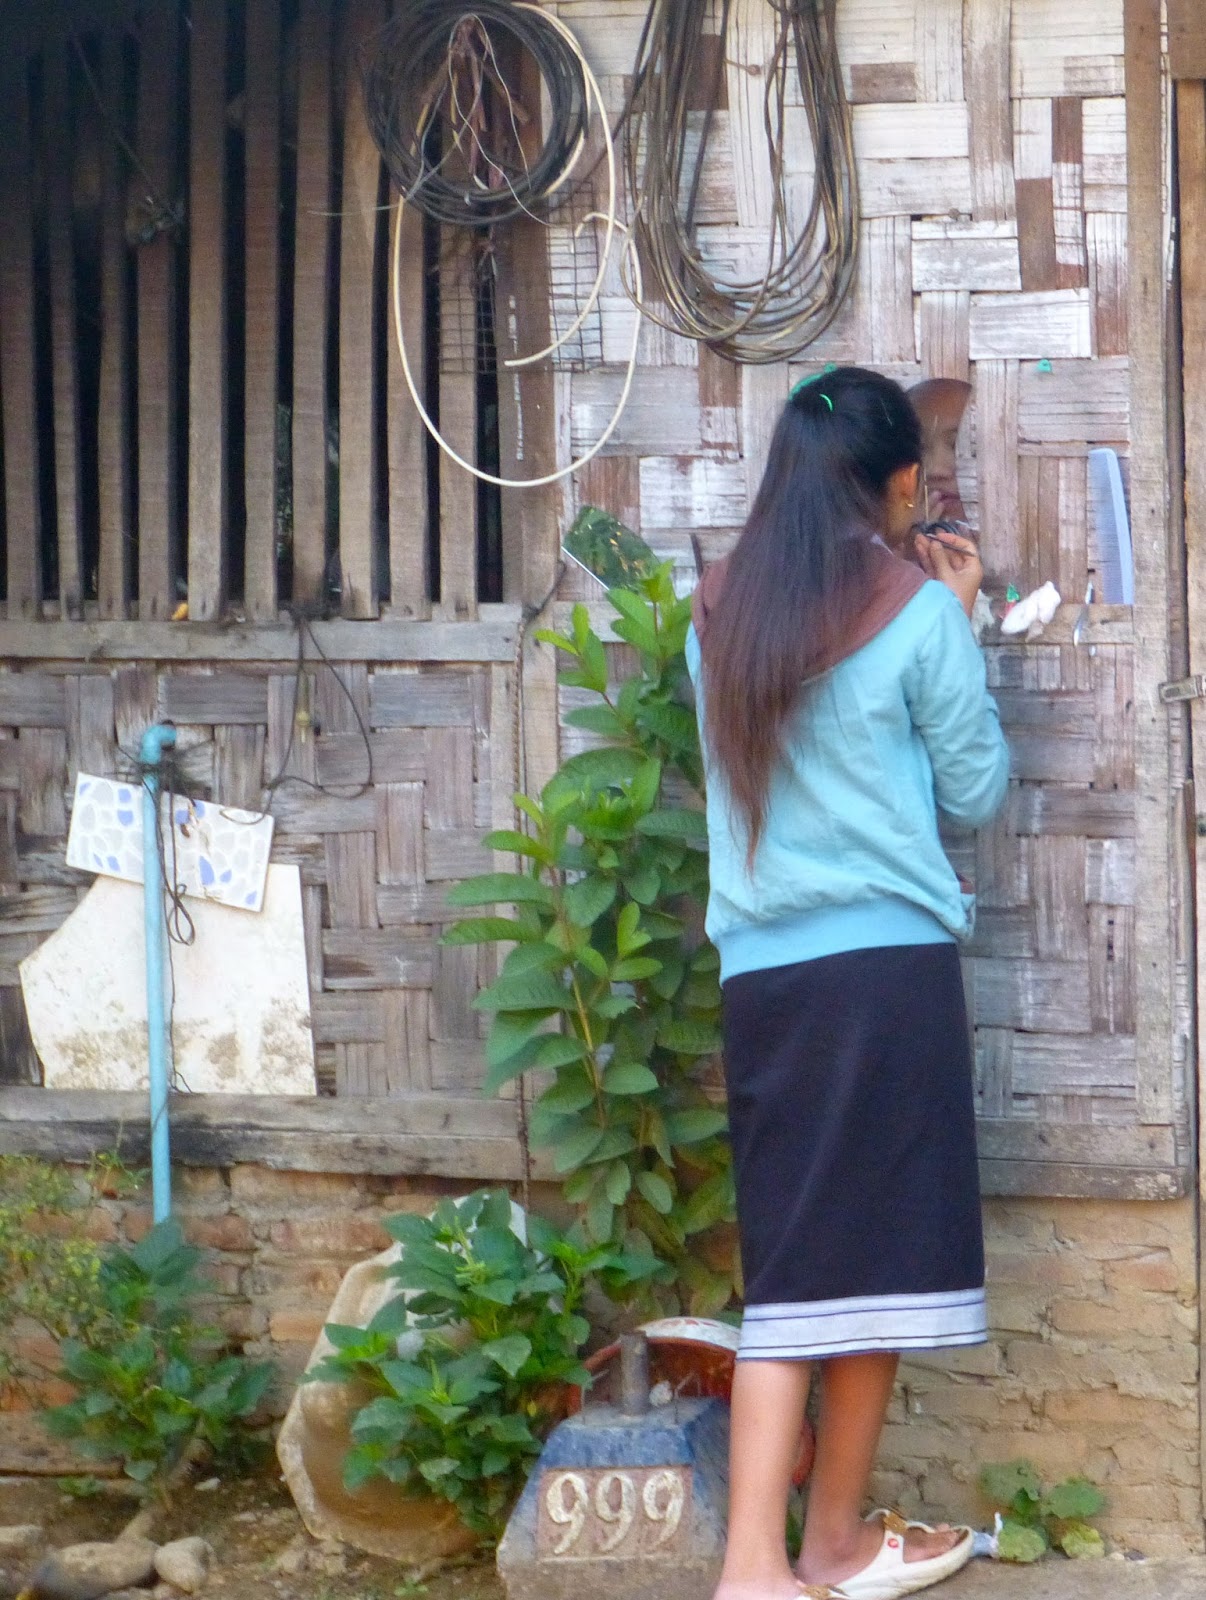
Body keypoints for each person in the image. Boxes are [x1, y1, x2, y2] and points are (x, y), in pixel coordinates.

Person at [686, 365, 1011, 1600]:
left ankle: (821, 1548)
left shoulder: (714, 616)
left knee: (826, 1268)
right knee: (846, 1273)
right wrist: (960, 618)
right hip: (883, 975)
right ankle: (753, 1569)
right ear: (900, 484)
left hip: (765, 983)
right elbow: (976, 790)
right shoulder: (916, 615)